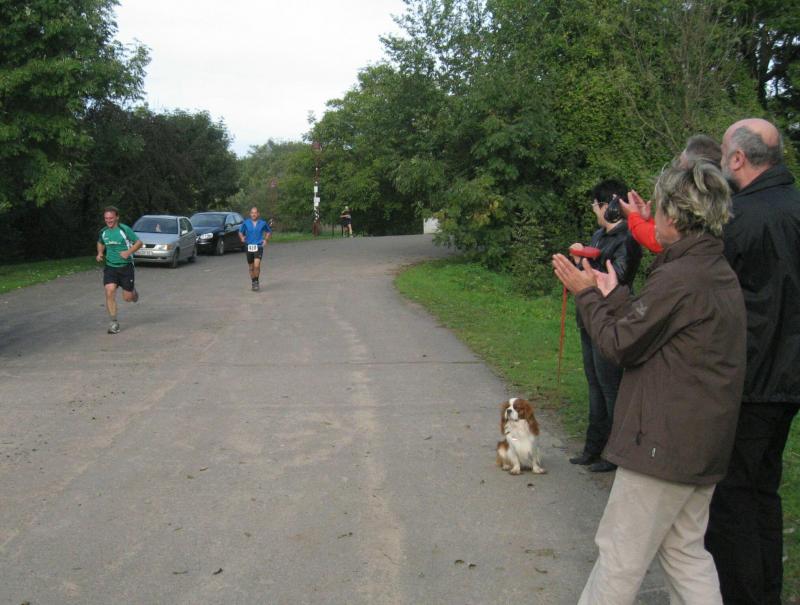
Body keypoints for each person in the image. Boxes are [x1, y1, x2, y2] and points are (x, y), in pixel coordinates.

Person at [553, 161, 747, 604]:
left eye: (658, 207)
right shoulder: (712, 269)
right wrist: (614, 295)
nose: (651, 216)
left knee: (620, 554)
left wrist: (586, 294)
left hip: (663, 445)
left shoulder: (681, 277)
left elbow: (619, 344)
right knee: (684, 553)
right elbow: (656, 330)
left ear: (674, 215)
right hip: (701, 442)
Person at [705, 118, 800, 605]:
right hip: (789, 379)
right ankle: (766, 592)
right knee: (764, 490)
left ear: (738, 159)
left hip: (748, 379)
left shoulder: (737, 219)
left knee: (734, 499)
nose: (722, 160)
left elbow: (711, 300)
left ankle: (744, 594)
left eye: (724, 152)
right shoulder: (795, 206)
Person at [568, 179, 642, 473]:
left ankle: (615, 453)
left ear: (608, 205)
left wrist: (588, 266)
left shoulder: (628, 240)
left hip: (611, 319)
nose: (593, 210)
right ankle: (593, 448)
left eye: (595, 205)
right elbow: (585, 276)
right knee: (594, 384)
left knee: (611, 387)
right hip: (589, 316)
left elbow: (618, 278)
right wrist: (579, 261)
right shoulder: (599, 235)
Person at [621, 135, 722, 254]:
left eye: (680, 163)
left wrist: (633, 216)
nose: (676, 169)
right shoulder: (716, 199)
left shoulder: (690, 199)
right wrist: (647, 220)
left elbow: (663, 239)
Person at [96, 206, 142, 334]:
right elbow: (100, 242)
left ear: (117, 217)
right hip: (110, 266)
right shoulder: (104, 231)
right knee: (109, 291)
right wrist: (100, 253)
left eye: (111, 218)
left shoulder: (124, 230)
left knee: (128, 298)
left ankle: (133, 292)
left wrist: (128, 252)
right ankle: (114, 322)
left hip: (126, 267)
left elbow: (139, 243)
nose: (108, 220)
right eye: (106, 218)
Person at [238, 206, 271, 291]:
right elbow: (240, 232)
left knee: (257, 266)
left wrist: (266, 240)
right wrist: (242, 237)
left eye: (255, 213)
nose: (253, 214)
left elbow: (268, 231)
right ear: (250, 214)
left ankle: (256, 281)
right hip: (249, 246)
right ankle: (253, 281)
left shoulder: (263, 223)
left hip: (258, 246)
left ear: (258, 214)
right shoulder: (246, 223)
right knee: (251, 267)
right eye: (252, 213)